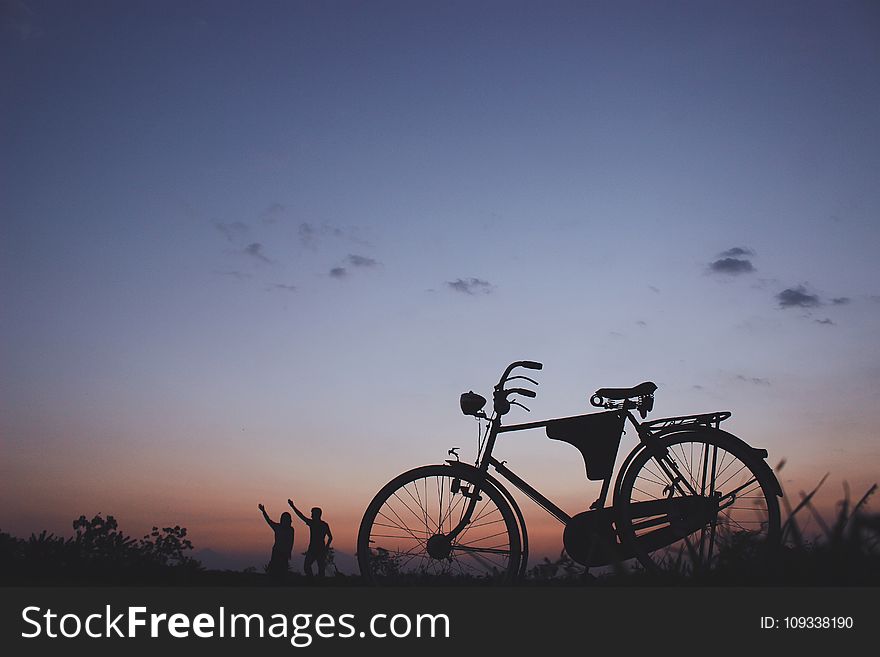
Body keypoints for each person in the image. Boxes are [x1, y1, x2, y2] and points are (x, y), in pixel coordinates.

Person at [288, 498, 332, 577]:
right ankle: (313, 581)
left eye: (312, 513)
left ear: (316, 514)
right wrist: (293, 506)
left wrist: (326, 547)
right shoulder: (319, 524)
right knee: (309, 567)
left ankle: (317, 583)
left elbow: (330, 537)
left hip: (318, 549)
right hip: (314, 549)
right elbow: (330, 537)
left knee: (318, 568)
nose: (311, 515)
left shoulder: (320, 524)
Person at [258, 503, 294, 581]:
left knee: (283, 569)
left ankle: (280, 582)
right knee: (274, 568)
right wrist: (263, 511)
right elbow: (269, 520)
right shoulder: (278, 527)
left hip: (284, 552)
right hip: (277, 552)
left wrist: (289, 551)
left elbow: (291, 541)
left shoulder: (290, 529)